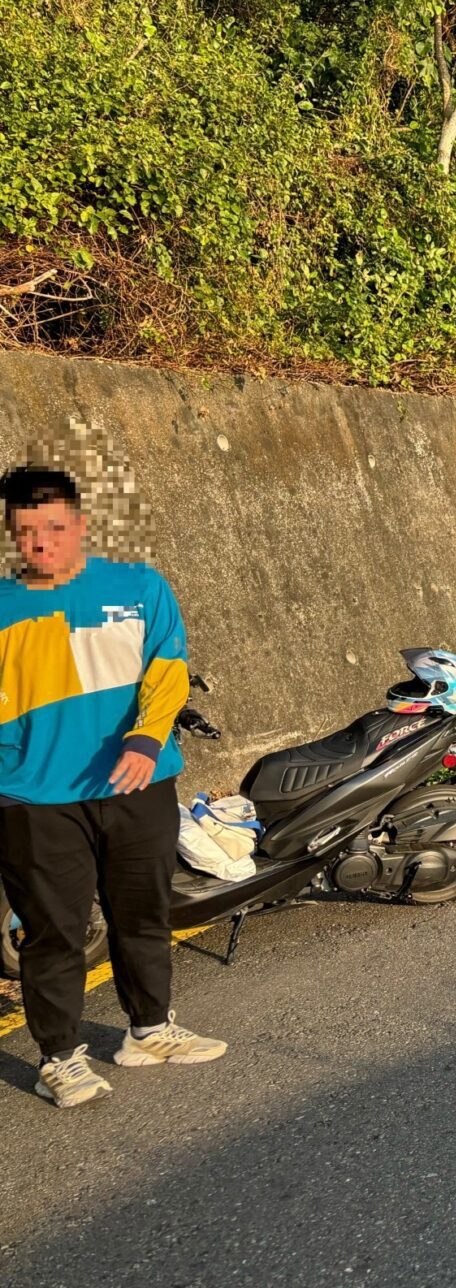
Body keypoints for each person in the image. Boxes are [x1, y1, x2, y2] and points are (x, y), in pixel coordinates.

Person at [0, 466, 226, 1110]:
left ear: (80, 524)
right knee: (53, 931)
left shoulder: (139, 587)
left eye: (54, 528)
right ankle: (58, 1058)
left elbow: (168, 668)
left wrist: (149, 736)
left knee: (142, 915)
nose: (41, 544)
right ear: (12, 535)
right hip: (32, 798)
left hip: (138, 784)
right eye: (25, 532)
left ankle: (149, 1030)